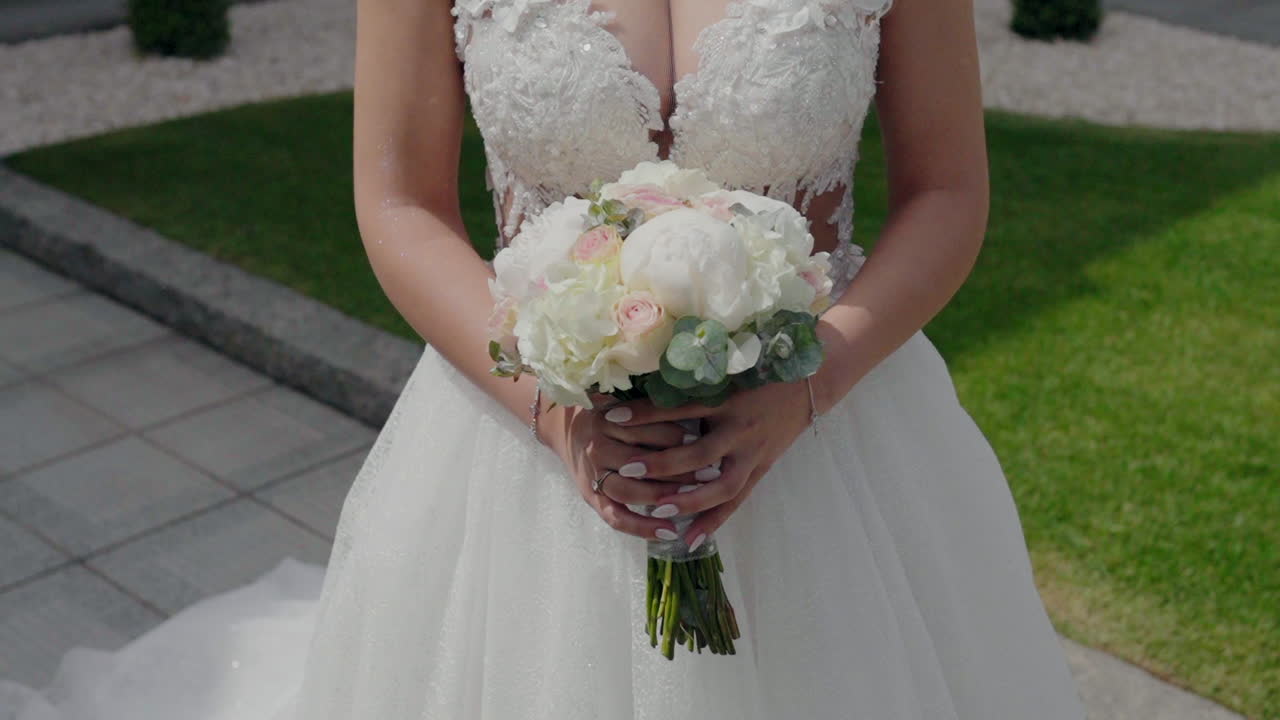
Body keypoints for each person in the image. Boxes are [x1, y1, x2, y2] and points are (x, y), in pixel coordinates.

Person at [0, 0, 1089, 717]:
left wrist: (810, 387)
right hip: (522, 458)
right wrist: (553, 411)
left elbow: (948, 191)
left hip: (837, 450)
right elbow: (397, 202)